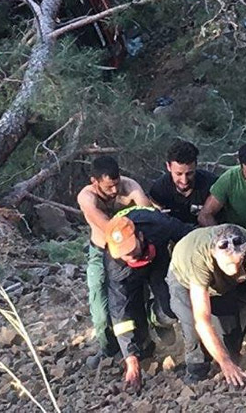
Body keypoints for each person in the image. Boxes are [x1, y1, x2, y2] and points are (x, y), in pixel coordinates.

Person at [167, 224, 246, 386]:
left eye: (238, 262)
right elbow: (202, 320)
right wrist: (225, 362)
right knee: (191, 326)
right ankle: (196, 373)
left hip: (222, 283)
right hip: (183, 277)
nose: (234, 268)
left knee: (230, 335)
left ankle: (229, 363)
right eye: (229, 264)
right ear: (214, 252)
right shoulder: (199, 259)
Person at [104, 209, 193, 391]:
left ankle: (156, 315)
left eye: (131, 249)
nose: (130, 257)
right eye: (124, 254)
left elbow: (189, 236)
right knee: (134, 318)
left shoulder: (158, 225)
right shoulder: (115, 266)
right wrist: (130, 358)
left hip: (158, 260)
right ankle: (144, 346)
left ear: (141, 236)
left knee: (171, 308)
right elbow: (119, 311)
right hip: (130, 278)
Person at [77, 156, 151, 367]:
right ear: (94, 181)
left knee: (136, 299)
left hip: (129, 254)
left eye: (117, 184)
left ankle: (142, 345)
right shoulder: (87, 197)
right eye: (109, 186)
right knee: (100, 304)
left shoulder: (130, 187)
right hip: (101, 252)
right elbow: (107, 227)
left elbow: (147, 212)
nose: (114, 190)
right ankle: (108, 349)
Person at [149, 140, 218, 226]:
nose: (184, 180)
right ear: (168, 167)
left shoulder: (212, 185)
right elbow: (155, 221)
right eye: (178, 174)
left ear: (196, 165)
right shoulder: (159, 190)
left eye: (189, 173)